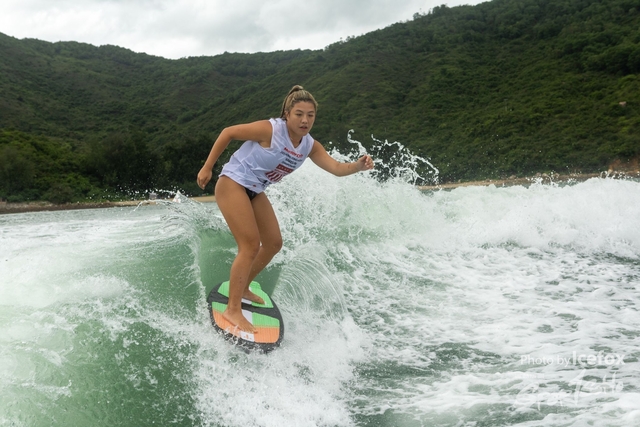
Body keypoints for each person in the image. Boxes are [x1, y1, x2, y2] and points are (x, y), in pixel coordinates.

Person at [197, 85, 374, 333]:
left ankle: (244, 287)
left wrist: (357, 166)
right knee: (250, 245)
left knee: (273, 243)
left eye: (310, 115)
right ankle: (232, 309)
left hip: (255, 190)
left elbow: (336, 168)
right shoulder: (270, 130)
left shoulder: (309, 146)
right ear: (287, 114)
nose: (305, 120)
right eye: (299, 114)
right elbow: (228, 133)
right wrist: (207, 167)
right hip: (233, 183)